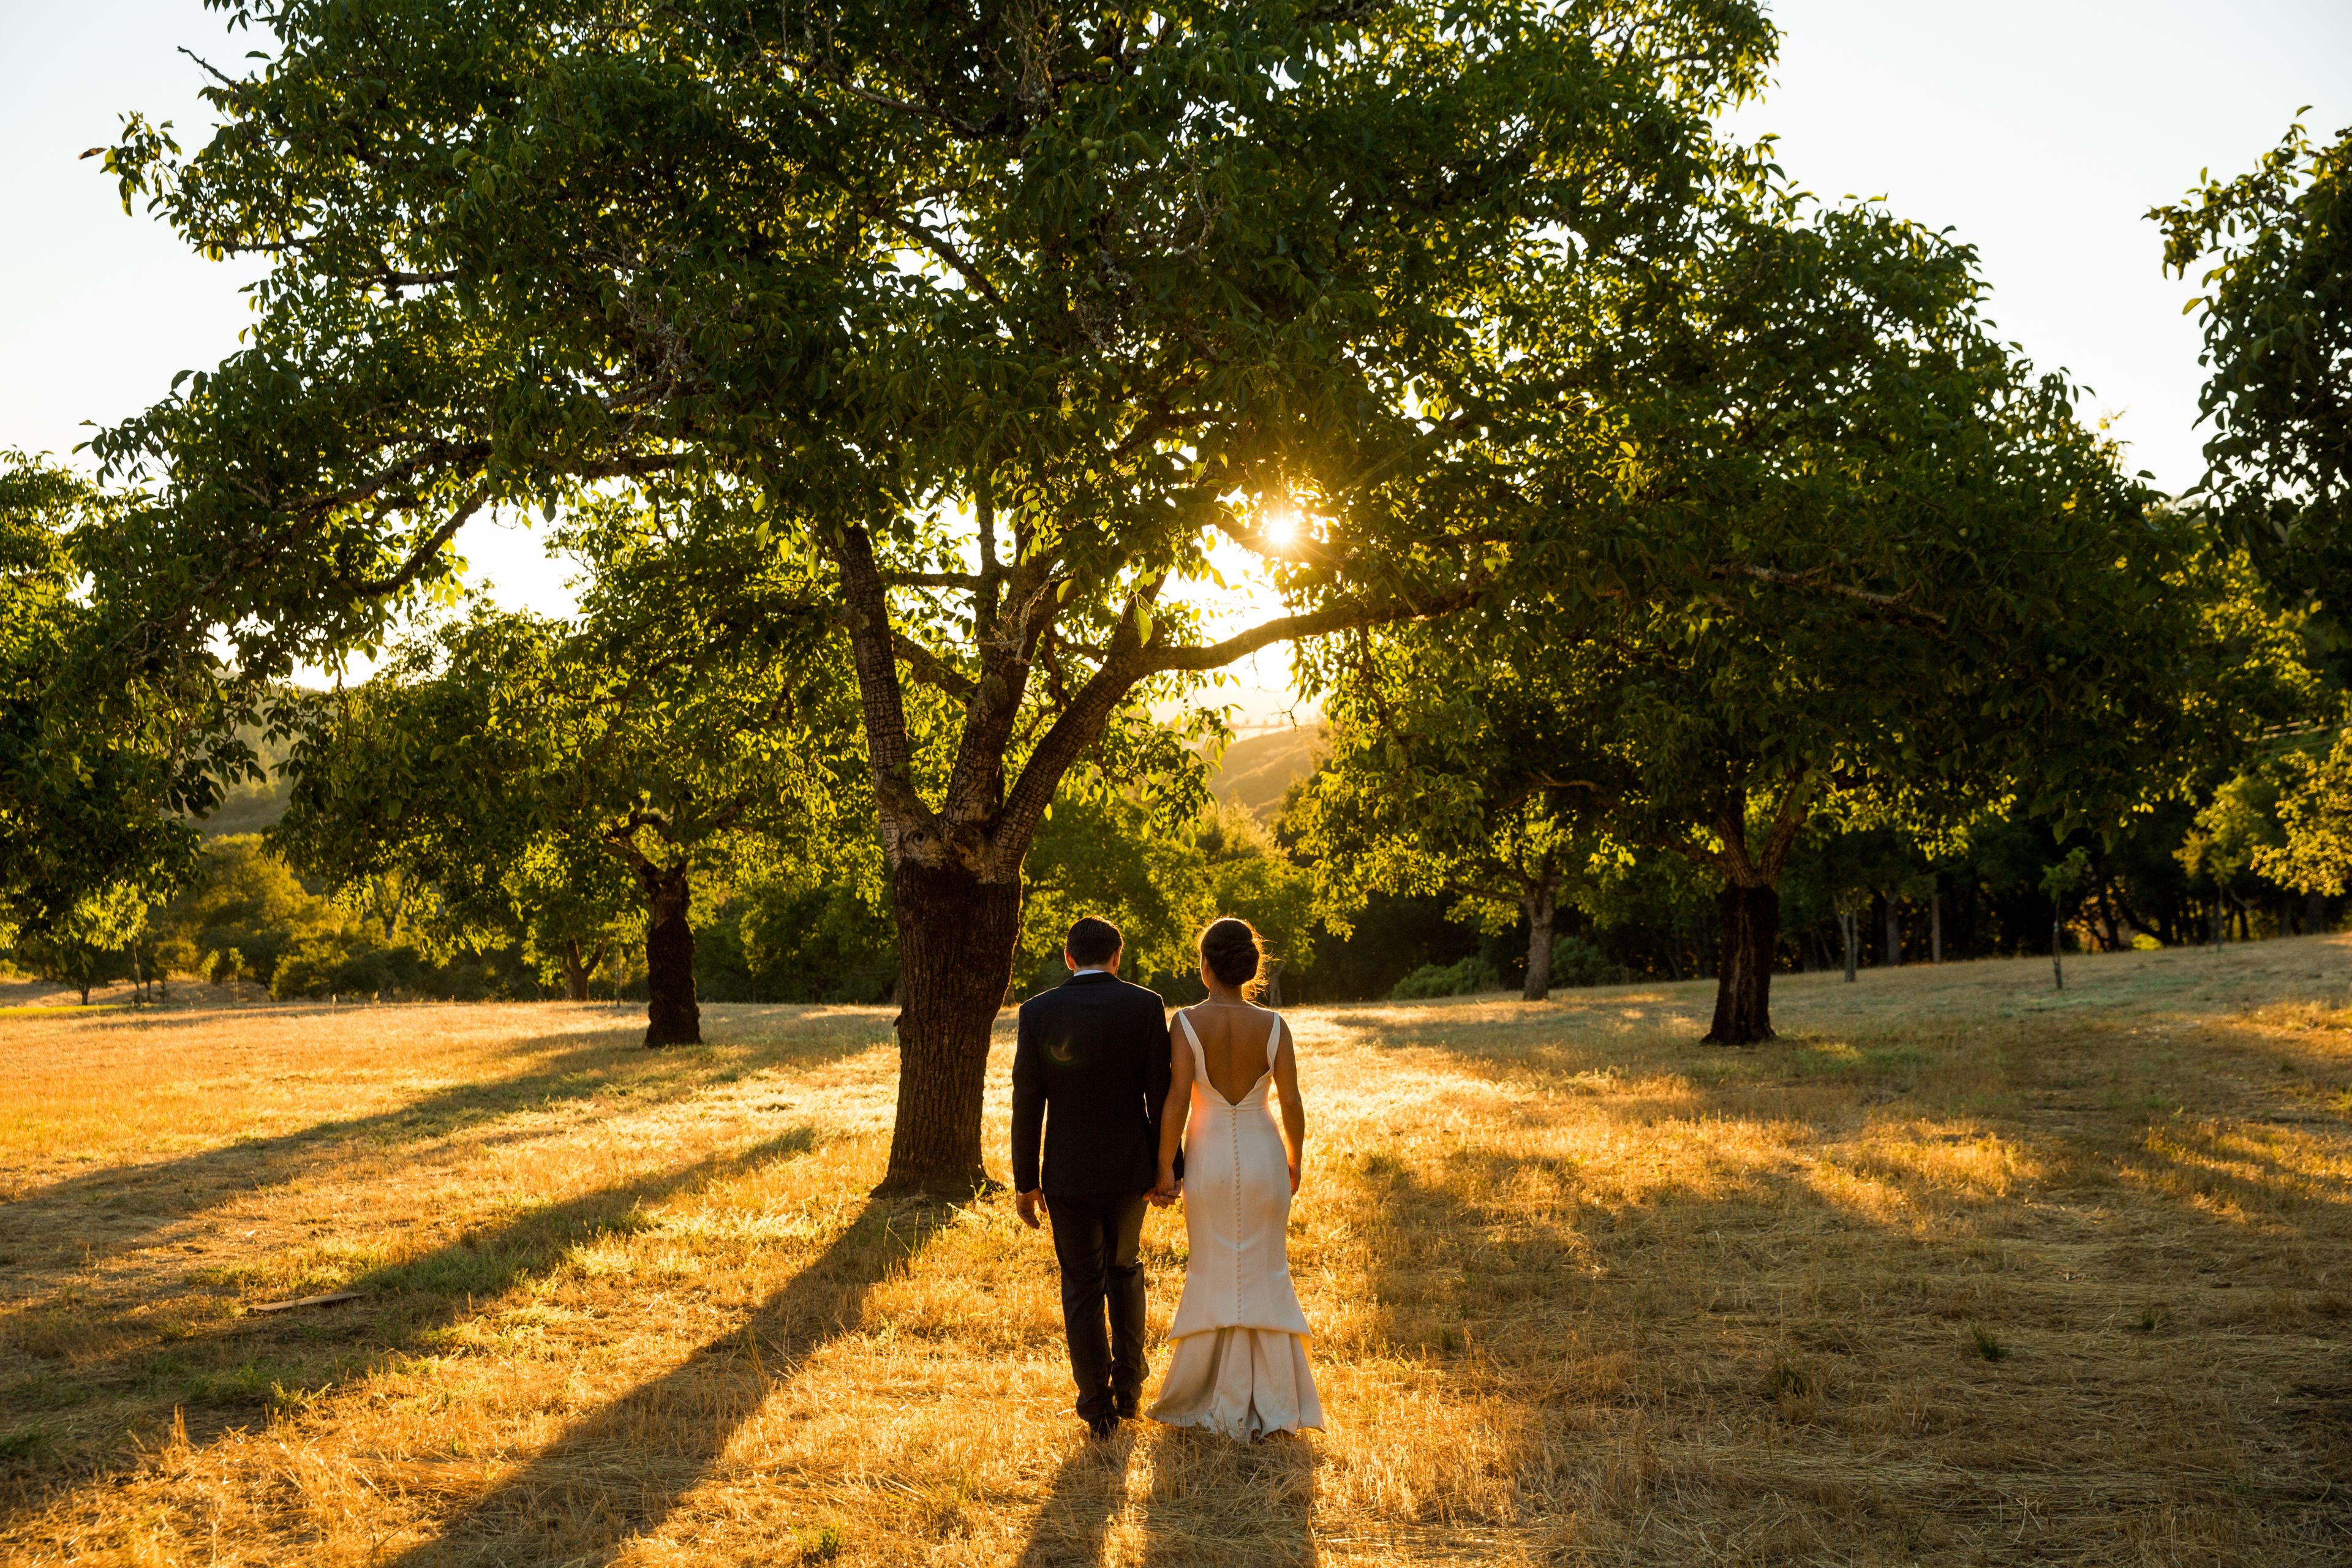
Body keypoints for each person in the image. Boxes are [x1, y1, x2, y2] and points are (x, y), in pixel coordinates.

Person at [1147, 916, 1324, 1439]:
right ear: (1249, 968)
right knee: (1267, 1270)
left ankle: (1209, 1393)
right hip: (1264, 1152)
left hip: (1210, 1159)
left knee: (1214, 1268)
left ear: (1206, 967)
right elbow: (1291, 1102)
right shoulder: (1274, 1027)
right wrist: (1297, 1157)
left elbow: (1177, 1099)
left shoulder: (1184, 1023)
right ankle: (1275, 1399)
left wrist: (1164, 1166)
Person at [1011, 915, 1172, 1441]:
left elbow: (1028, 1101)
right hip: (1131, 1170)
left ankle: (1095, 1407)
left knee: (1081, 1287)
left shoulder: (1037, 1012)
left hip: (1066, 1171)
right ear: (1118, 956)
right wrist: (1167, 1167)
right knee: (1124, 1270)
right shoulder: (1146, 1006)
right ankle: (1129, 1385)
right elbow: (1159, 1095)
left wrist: (1024, 1178)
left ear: (1069, 958)